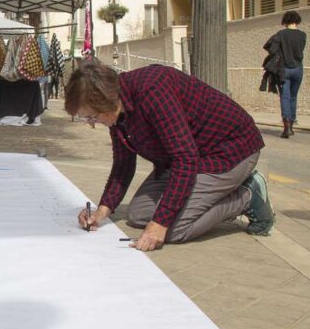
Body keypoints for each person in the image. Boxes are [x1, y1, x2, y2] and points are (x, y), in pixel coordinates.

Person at [66, 63, 274, 251]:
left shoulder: (152, 91)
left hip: (228, 152)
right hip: (184, 159)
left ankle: (247, 196)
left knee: (173, 230)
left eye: (92, 116)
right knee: (138, 214)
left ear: (108, 101)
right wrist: (102, 211)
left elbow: (185, 159)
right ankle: (205, 196)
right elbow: (123, 163)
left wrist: (160, 224)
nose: (91, 123)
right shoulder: (117, 111)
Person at [264, 11, 306, 138]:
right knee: (293, 97)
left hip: (284, 69)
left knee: (285, 97)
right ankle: (291, 124)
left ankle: (286, 126)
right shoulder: (303, 35)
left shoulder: (280, 34)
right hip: (298, 69)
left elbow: (269, 47)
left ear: (285, 21)